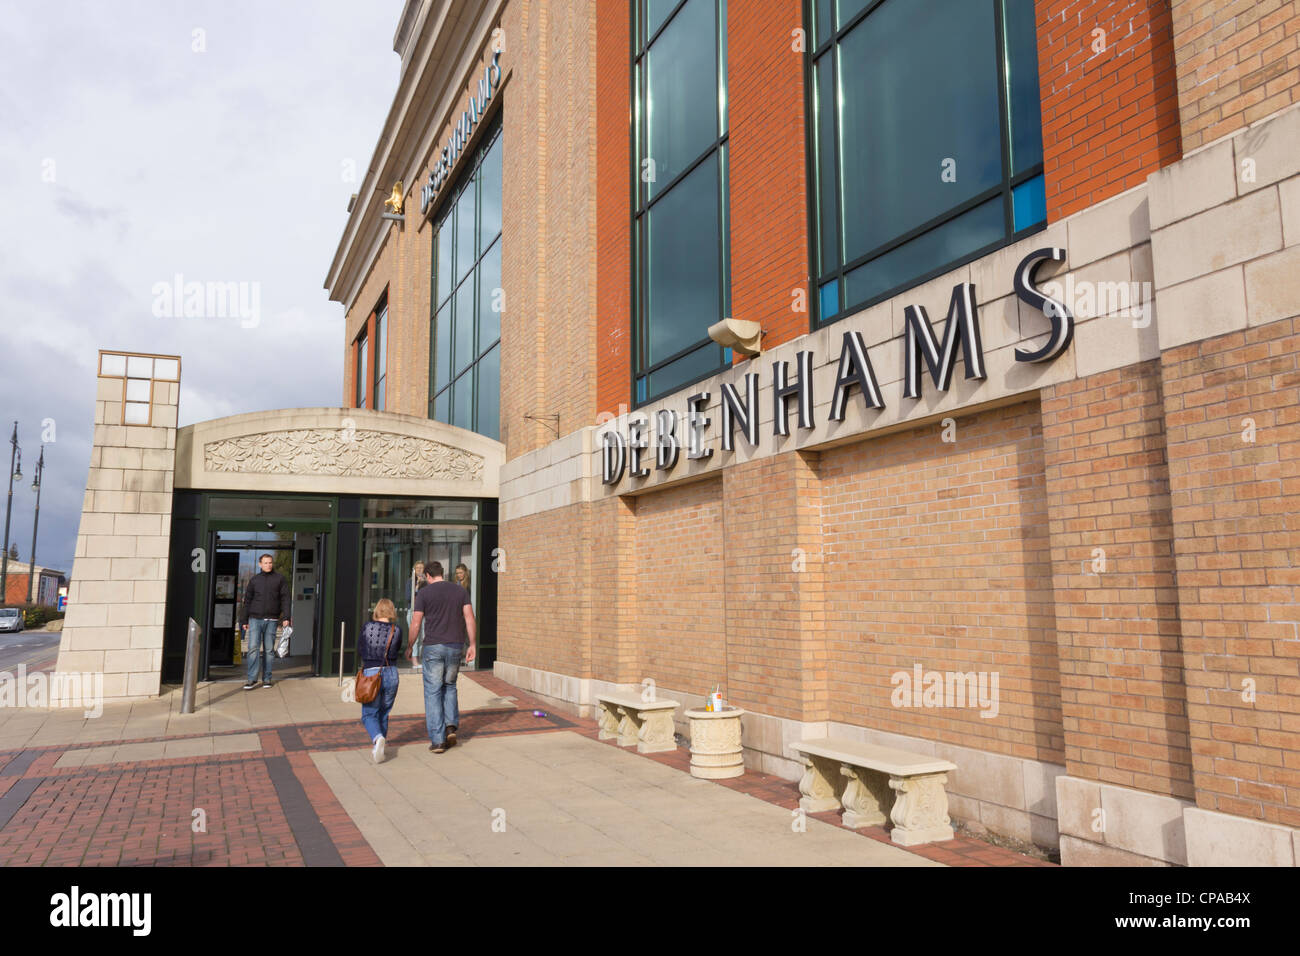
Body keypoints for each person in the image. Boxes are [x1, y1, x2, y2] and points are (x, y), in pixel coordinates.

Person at [409, 560, 476, 753]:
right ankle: (450, 726)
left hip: (433, 647)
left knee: (433, 691)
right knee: (450, 686)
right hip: (455, 646)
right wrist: (472, 644)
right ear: (442, 573)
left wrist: (410, 645)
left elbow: (416, 622)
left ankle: (438, 740)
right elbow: (469, 618)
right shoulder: (459, 591)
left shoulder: (424, 593)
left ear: (428, 576)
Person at [358, 598, 403, 764]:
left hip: (371, 673)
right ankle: (380, 748)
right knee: (384, 712)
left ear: (377, 610)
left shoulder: (367, 627)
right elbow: (396, 650)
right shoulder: (396, 630)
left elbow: (360, 648)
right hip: (391, 672)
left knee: (369, 713)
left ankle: (377, 739)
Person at [241, 553, 290, 690]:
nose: (268, 565)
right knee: (253, 649)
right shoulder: (254, 580)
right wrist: (244, 619)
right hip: (255, 619)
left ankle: (267, 679)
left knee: (269, 650)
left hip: (272, 620)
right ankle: (251, 679)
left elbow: (286, 599)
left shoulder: (280, 579)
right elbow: (247, 601)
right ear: (260, 564)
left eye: (270, 562)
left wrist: (286, 617)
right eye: (265, 563)